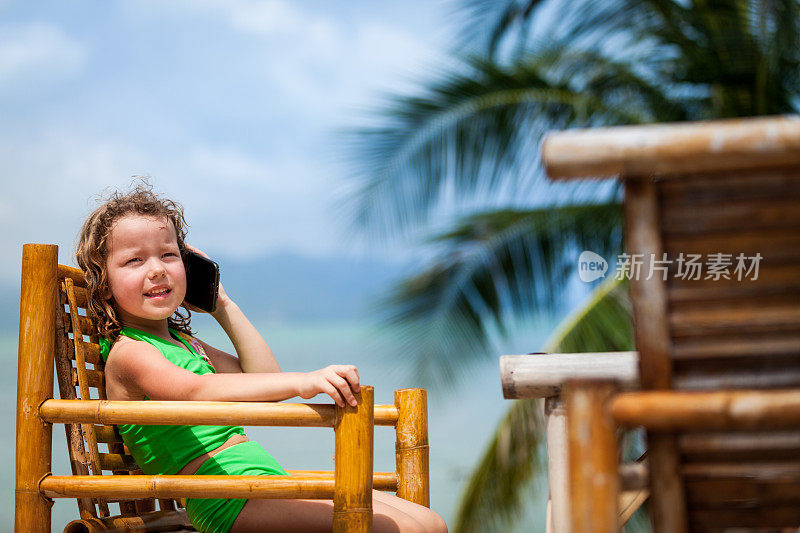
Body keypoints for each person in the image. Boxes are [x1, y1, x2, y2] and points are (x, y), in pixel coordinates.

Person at [76, 182, 448, 533]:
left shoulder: (185, 345)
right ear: (104, 284)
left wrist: (222, 305)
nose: (157, 268)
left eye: (169, 255)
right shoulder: (130, 353)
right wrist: (305, 381)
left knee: (430, 523)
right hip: (224, 497)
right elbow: (192, 391)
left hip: (259, 481)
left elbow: (265, 376)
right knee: (397, 529)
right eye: (134, 261)